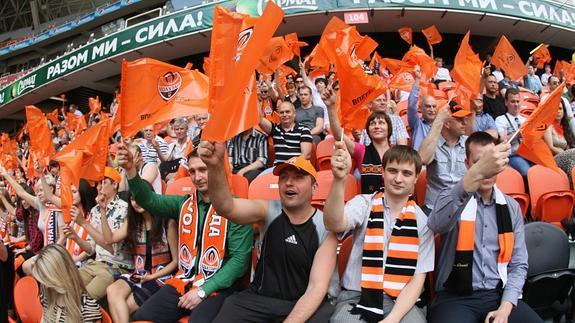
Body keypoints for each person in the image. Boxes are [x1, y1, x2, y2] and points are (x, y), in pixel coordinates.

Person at [198, 141, 338, 322]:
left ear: (314, 187)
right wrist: (215, 166)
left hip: (304, 302)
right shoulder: (267, 211)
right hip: (260, 299)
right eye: (284, 177)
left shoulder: (325, 225)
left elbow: (316, 289)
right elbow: (226, 207)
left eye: (298, 177)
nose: (289, 182)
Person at [117, 146, 252, 323]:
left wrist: (203, 291)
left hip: (220, 286)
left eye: (203, 170)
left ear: (216, 169)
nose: (197, 177)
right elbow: (148, 200)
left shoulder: (238, 208)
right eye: (193, 171)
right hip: (184, 280)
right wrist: (131, 171)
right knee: (144, 316)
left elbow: (239, 261)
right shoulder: (183, 204)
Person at [427, 132, 542, 323]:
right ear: (467, 164)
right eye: (480, 164)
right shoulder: (452, 196)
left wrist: (505, 309)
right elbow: (436, 224)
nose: (487, 171)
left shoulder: (511, 207)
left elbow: (518, 264)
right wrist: (470, 181)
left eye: (491, 164)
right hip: (455, 298)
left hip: (498, 295)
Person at [324, 143, 434, 322]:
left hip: (401, 300)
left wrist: (392, 319)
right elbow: (334, 223)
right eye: (392, 171)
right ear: (382, 172)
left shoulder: (423, 222)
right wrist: (339, 181)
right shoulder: (363, 203)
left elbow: (417, 279)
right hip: (357, 295)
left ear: (415, 178)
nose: (398, 179)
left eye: (406, 173)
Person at [106, 185, 178, 323]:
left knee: (123, 309)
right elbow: (109, 239)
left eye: (140, 198)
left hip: (160, 277)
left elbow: (176, 262)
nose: (136, 202)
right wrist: (103, 211)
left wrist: (153, 276)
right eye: (132, 199)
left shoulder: (167, 222)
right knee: (112, 290)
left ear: (150, 196)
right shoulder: (134, 223)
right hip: (138, 273)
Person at [72, 167, 134, 300]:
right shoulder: (95, 210)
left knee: (83, 299)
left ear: (115, 184)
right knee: (65, 287)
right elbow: (91, 248)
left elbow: (111, 248)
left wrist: (84, 223)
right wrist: (75, 237)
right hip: (95, 264)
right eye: (98, 184)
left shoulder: (125, 209)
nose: (99, 187)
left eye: (103, 182)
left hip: (116, 267)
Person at [324, 89, 392, 194]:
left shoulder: (397, 152)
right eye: (373, 124)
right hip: (367, 204)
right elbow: (338, 134)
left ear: (389, 129)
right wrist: (331, 107)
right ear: (368, 130)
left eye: (381, 123)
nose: (377, 126)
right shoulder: (361, 150)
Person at [418, 103, 470, 215]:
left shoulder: (469, 143)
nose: (465, 123)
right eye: (460, 120)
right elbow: (423, 159)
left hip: (462, 207)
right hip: (434, 207)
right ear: (446, 123)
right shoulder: (432, 143)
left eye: (465, 119)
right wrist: (438, 121)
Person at [32, 244, 102, 323]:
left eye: (49, 280)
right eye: (43, 280)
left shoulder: (88, 309)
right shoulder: (47, 292)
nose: (46, 286)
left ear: (62, 274)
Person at [495, 88, 533, 178]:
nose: (516, 105)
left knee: (543, 170)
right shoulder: (500, 119)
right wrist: (517, 134)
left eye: (517, 101)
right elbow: (502, 140)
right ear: (506, 102)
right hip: (512, 155)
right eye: (512, 101)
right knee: (527, 172)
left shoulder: (525, 120)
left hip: (528, 153)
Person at [408, 67, 438, 150]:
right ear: (420, 109)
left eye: (434, 106)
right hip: (420, 161)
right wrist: (417, 79)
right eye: (428, 106)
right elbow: (411, 105)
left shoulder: (442, 126)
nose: (432, 110)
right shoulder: (416, 123)